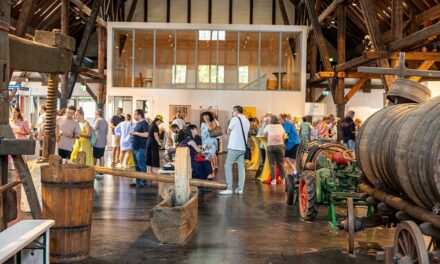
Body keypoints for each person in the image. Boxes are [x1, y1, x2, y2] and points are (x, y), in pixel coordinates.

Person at [219, 106, 250, 195]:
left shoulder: (235, 119)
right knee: (241, 167)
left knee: (227, 166)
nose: (232, 113)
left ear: (236, 111)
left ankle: (229, 188)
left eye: (233, 111)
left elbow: (228, 131)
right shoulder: (247, 121)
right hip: (243, 147)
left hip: (234, 147)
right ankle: (240, 189)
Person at [263, 115, 286, 185]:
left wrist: (269, 137)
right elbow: (283, 135)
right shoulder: (280, 126)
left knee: (272, 164)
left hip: (271, 146)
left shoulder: (268, 126)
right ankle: (283, 179)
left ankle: (273, 180)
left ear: (271, 120)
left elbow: (264, 135)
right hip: (280, 146)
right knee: (281, 164)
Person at [130, 109, 149, 187]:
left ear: (139, 115)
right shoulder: (138, 123)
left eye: (135, 114)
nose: (134, 116)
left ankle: (143, 182)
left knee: (142, 166)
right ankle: (138, 181)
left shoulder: (144, 123)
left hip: (141, 148)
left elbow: (146, 134)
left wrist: (135, 133)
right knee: (137, 166)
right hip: (135, 147)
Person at [279, 113, 301, 177]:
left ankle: (295, 172)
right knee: (288, 158)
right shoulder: (285, 124)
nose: (279, 121)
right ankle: (294, 172)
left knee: (292, 159)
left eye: (279, 119)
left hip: (293, 143)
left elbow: (286, 134)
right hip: (291, 144)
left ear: (283, 119)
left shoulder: (287, 124)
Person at [201, 111, 218, 179]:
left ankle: (212, 173)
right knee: (205, 158)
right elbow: (202, 133)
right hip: (204, 143)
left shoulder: (213, 122)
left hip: (211, 143)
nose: (205, 117)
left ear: (209, 116)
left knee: (209, 157)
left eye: (206, 116)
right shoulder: (202, 124)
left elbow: (211, 129)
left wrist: (208, 122)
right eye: (204, 116)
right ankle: (209, 173)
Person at [93, 109, 108, 177]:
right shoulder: (105, 121)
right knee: (101, 156)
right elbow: (106, 132)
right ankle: (101, 172)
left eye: (95, 114)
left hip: (98, 141)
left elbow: (93, 130)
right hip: (103, 140)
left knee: (95, 156)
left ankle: (94, 170)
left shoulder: (98, 121)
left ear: (97, 114)